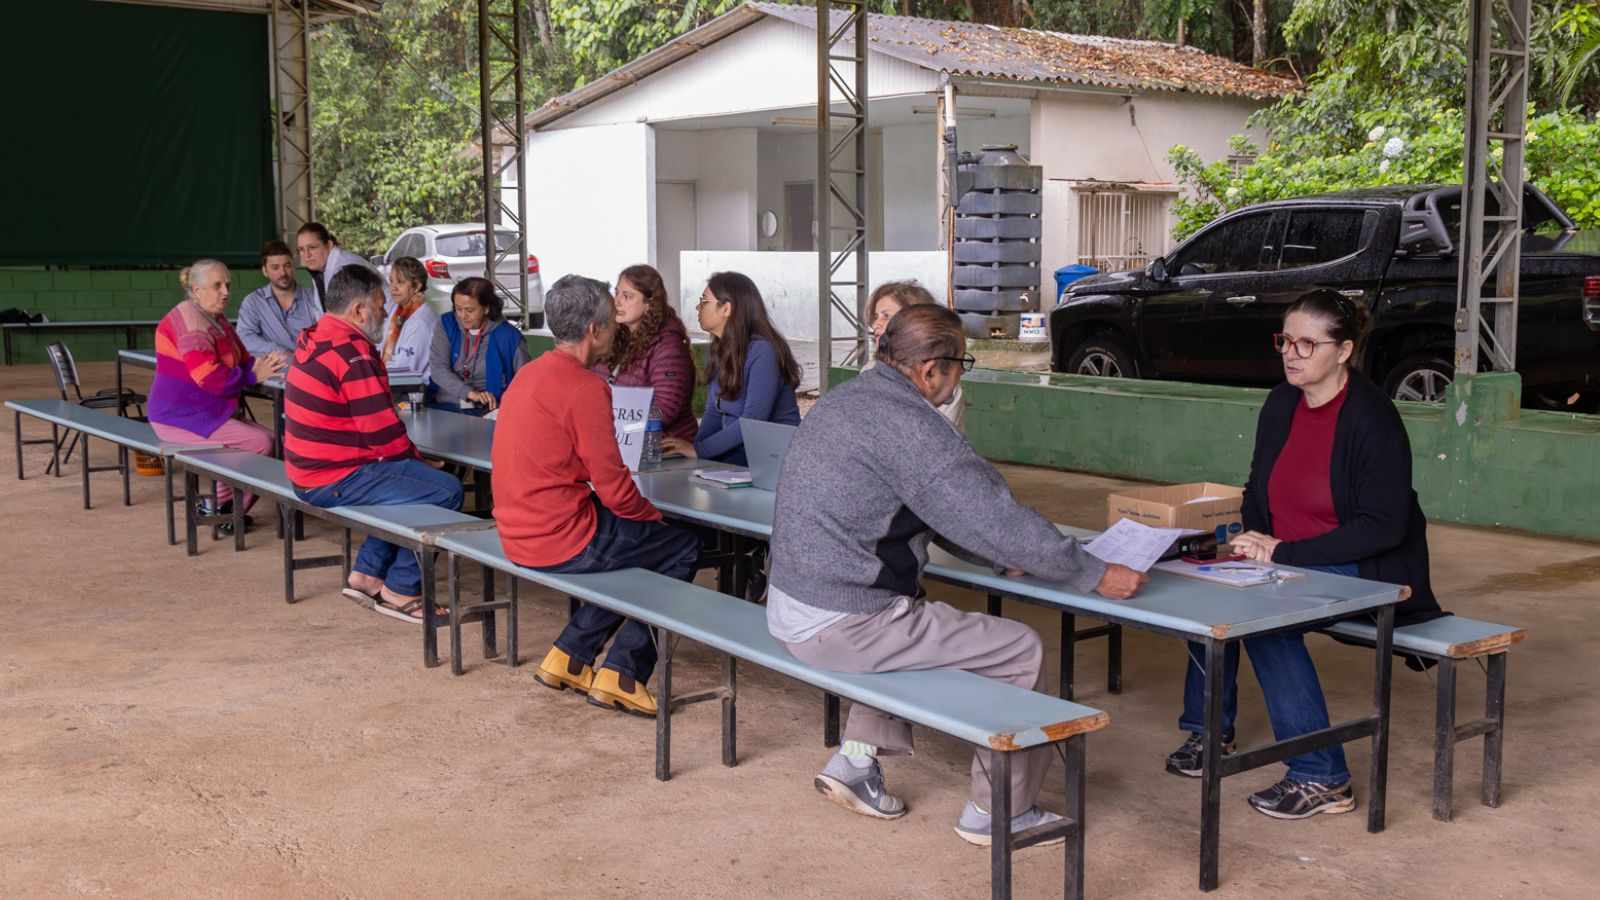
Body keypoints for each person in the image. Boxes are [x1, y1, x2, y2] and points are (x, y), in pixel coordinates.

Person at [767, 304, 1146, 844]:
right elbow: (990, 517)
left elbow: (934, 511)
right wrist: (1095, 573)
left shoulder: (847, 400)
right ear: (931, 370)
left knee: (906, 629)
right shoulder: (913, 428)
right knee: (1018, 649)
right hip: (841, 620)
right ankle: (1000, 812)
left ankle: (855, 762)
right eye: (961, 365)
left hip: (792, 603)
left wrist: (997, 554)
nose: (959, 379)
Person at [1166, 288, 1446, 820]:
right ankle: (1208, 733)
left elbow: (1383, 527)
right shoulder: (1281, 403)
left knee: (1266, 622)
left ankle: (1322, 776)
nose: (1291, 354)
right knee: (1203, 590)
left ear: (1344, 351)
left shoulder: (1373, 419)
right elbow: (1257, 488)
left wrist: (1287, 553)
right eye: (1285, 341)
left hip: (1361, 565)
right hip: (1285, 558)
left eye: (1307, 344)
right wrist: (1255, 539)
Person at [494, 275, 700, 717]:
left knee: (637, 548)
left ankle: (570, 655)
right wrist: (653, 517)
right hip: (560, 538)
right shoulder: (585, 387)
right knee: (680, 545)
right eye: (611, 320)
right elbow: (616, 491)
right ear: (594, 330)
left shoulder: (530, 374)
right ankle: (623, 673)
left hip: (516, 531)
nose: (617, 327)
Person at [283, 265, 464, 623]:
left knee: (409, 484)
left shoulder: (314, 337)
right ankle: (402, 588)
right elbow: (382, 435)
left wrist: (412, 463)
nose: (385, 312)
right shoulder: (352, 353)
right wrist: (418, 461)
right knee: (445, 491)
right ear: (359, 310)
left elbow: (380, 437)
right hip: (332, 476)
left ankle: (367, 574)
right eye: (381, 305)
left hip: (308, 470)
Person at [147, 260, 286, 531]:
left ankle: (223, 506)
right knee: (260, 444)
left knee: (277, 442)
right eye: (217, 286)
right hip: (179, 417)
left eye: (227, 285)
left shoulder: (215, 317)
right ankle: (224, 509)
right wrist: (252, 376)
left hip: (207, 412)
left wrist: (264, 366)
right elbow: (211, 379)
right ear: (196, 290)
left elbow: (242, 358)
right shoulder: (193, 327)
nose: (226, 292)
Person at [661, 271, 801, 465]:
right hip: (740, 458)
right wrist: (694, 451)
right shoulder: (722, 349)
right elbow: (713, 412)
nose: (698, 307)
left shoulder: (763, 351)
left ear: (726, 308)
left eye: (704, 301)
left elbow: (753, 421)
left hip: (773, 461)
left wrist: (700, 450)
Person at [601, 264, 697, 441]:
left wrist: (616, 428)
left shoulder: (669, 347)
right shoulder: (617, 335)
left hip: (664, 447)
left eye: (627, 296)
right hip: (623, 439)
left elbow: (665, 410)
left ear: (649, 304)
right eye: (617, 293)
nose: (617, 302)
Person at [865, 280, 965, 429]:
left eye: (886, 316)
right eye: (875, 316)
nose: (875, 324)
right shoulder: (869, 369)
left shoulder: (945, 385)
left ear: (916, 322)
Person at [428, 276, 529, 415]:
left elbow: (525, 381)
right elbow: (438, 369)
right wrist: (470, 393)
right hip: (447, 406)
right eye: (458, 309)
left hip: (490, 411)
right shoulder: (446, 324)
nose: (463, 316)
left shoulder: (509, 337)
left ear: (486, 308)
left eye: (469, 310)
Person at [235, 240, 322, 356]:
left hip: (312, 363)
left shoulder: (314, 298)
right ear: (265, 271)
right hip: (276, 365)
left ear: (293, 267)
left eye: (287, 266)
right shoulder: (253, 302)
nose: (283, 273)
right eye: (275, 268)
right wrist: (279, 351)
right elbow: (244, 337)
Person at [380, 256, 440, 376]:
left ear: (417, 286)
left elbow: (405, 369)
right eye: (391, 281)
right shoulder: (398, 309)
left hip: (412, 383)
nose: (393, 288)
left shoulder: (420, 321)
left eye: (400, 282)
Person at [295, 222, 376, 308]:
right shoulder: (321, 270)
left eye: (312, 248)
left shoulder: (343, 269)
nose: (307, 255)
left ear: (329, 245)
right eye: (301, 249)